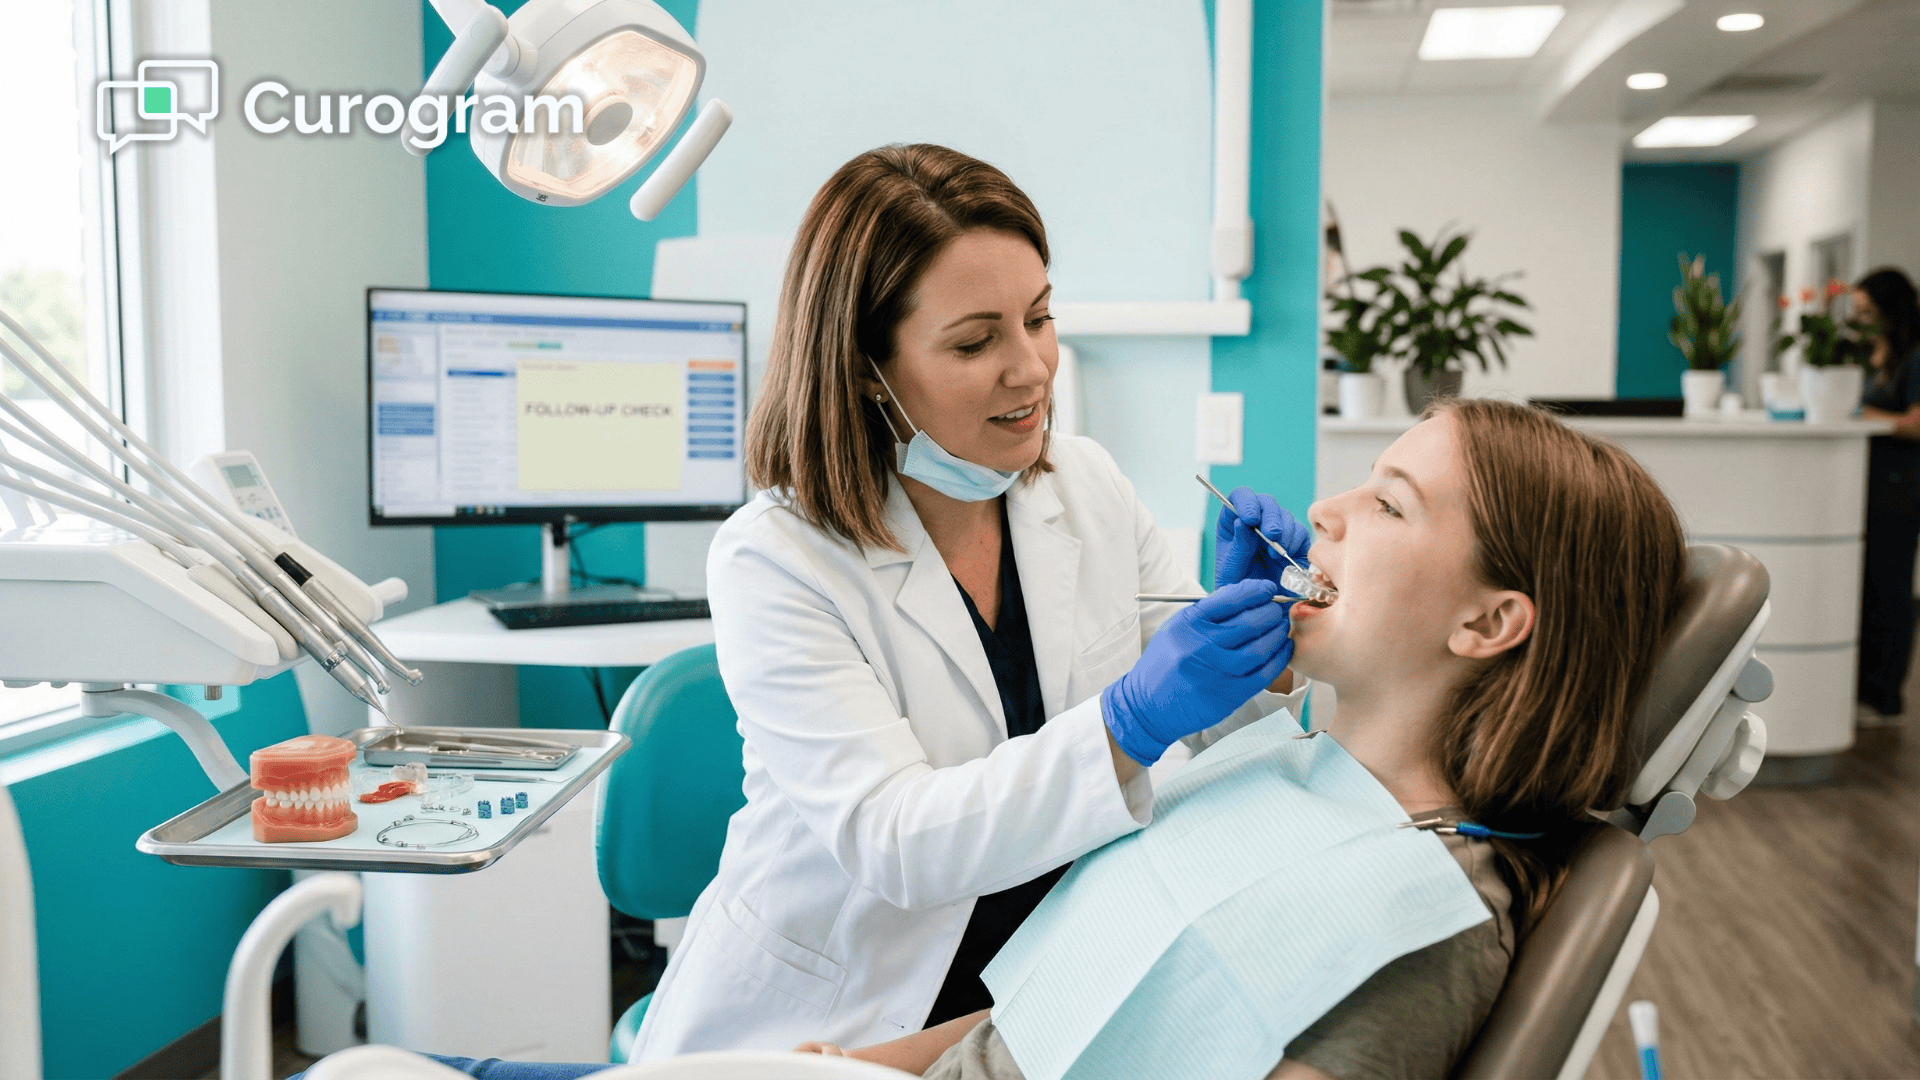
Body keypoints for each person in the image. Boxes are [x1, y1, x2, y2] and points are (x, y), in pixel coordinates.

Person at [626, 143, 1316, 1057]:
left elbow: (1208, 714)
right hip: (838, 1019)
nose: (1031, 369)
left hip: (1038, 991)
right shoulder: (777, 558)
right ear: (866, 369)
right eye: (975, 341)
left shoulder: (1087, 485)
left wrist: (1259, 654)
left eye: (1039, 319)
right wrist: (1126, 724)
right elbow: (896, 840)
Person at [793, 398, 1689, 1080]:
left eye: (1389, 504)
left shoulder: (1425, 928)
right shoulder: (1269, 765)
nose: (1327, 512)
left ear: (1491, 621)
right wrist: (856, 1067)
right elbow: (1038, 1016)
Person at [1853, 267, 1920, 720]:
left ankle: (1885, 695)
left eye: (1868, 312)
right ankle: (1862, 687)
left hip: (1902, 485)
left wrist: (1859, 414)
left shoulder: (1915, 357)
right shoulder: (1878, 353)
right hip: (1871, 481)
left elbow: (1916, 423)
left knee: (1891, 584)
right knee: (1869, 584)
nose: (1860, 321)